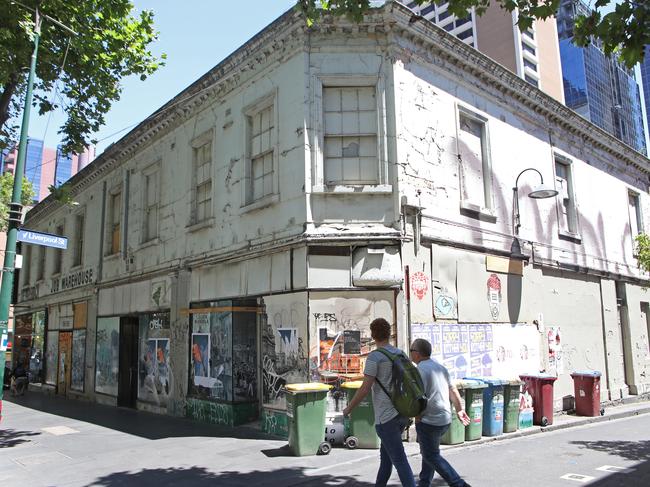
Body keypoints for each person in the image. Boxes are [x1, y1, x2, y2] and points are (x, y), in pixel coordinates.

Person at [343, 318, 416, 487]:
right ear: (389, 334)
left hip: (386, 417)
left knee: (399, 460)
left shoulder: (375, 357)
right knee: (386, 460)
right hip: (402, 412)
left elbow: (364, 389)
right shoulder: (400, 354)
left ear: (373, 335)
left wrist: (348, 408)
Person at [410, 338, 471, 487]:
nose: (410, 354)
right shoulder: (440, 368)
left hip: (429, 421)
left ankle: (458, 484)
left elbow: (419, 398)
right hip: (444, 419)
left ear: (417, 353)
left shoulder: (419, 371)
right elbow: (453, 390)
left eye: (411, 351)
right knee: (428, 453)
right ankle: (424, 483)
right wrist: (459, 409)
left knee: (431, 455)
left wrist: (417, 417)